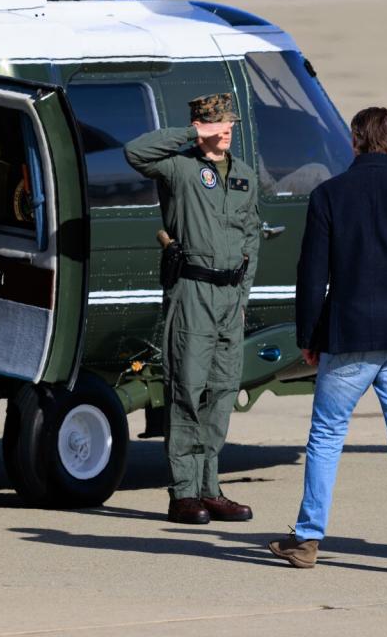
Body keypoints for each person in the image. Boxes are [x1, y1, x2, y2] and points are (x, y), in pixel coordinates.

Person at [268, 107, 387, 573]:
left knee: (327, 437)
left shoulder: (329, 195)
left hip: (347, 335)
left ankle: (308, 539)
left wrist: (308, 334)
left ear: (354, 140)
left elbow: (311, 274)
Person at [124, 93, 261, 524]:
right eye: (219, 125)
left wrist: (243, 296)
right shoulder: (178, 166)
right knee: (186, 389)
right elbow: (135, 153)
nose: (227, 131)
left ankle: (209, 487)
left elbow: (251, 236)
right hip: (192, 292)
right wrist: (190, 135)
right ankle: (183, 492)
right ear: (202, 126)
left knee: (221, 392)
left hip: (228, 297)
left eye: (230, 125)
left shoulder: (243, 175)